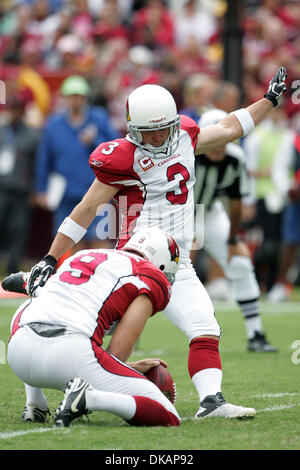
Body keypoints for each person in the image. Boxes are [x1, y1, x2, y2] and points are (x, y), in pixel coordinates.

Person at [4, 67, 287, 419]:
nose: (158, 139)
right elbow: (88, 207)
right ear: (133, 129)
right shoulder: (123, 156)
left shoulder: (184, 133)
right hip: (133, 263)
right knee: (64, 320)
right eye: (149, 133)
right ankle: (42, 400)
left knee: (205, 327)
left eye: (163, 130)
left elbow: (230, 127)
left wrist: (270, 101)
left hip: (177, 263)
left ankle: (210, 401)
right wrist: (50, 256)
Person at [7, 228, 181, 427]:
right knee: (169, 414)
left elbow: (12, 282)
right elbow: (118, 350)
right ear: (161, 264)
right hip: (71, 356)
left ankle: (35, 402)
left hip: (18, 355)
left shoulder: (83, 255)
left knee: (31, 306)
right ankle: (89, 399)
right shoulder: (150, 276)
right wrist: (123, 369)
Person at [192, 108, 277, 352]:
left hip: (209, 212)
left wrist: (231, 240)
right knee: (160, 273)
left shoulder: (235, 157)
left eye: (225, 139)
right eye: (215, 138)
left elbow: (236, 202)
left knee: (240, 262)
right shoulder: (186, 154)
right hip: (176, 213)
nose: (221, 145)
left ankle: (256, 334)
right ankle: (132, 336)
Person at [33, 74, 120, 252]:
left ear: (85, 98)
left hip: (98, 191)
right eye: (72, 96)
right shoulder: (54, 124)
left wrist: (94, 141)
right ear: (65, 98)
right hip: (65, 192)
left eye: (79, 97)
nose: (75, 101)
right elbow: (44, 159)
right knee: (70, 240)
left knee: (99, 240)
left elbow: (117, 149)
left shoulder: (99, 118)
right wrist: (41, 189)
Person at [0, 93, 40, 274]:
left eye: (18, 109)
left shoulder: (32, 135)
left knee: (19, 229)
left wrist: (36, 189)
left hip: (22, 190)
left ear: (23, 111)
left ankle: (13, 267)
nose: (15, 112)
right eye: (12, 109)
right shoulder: (2, 132)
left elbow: (38, 165)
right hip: (2, 188)